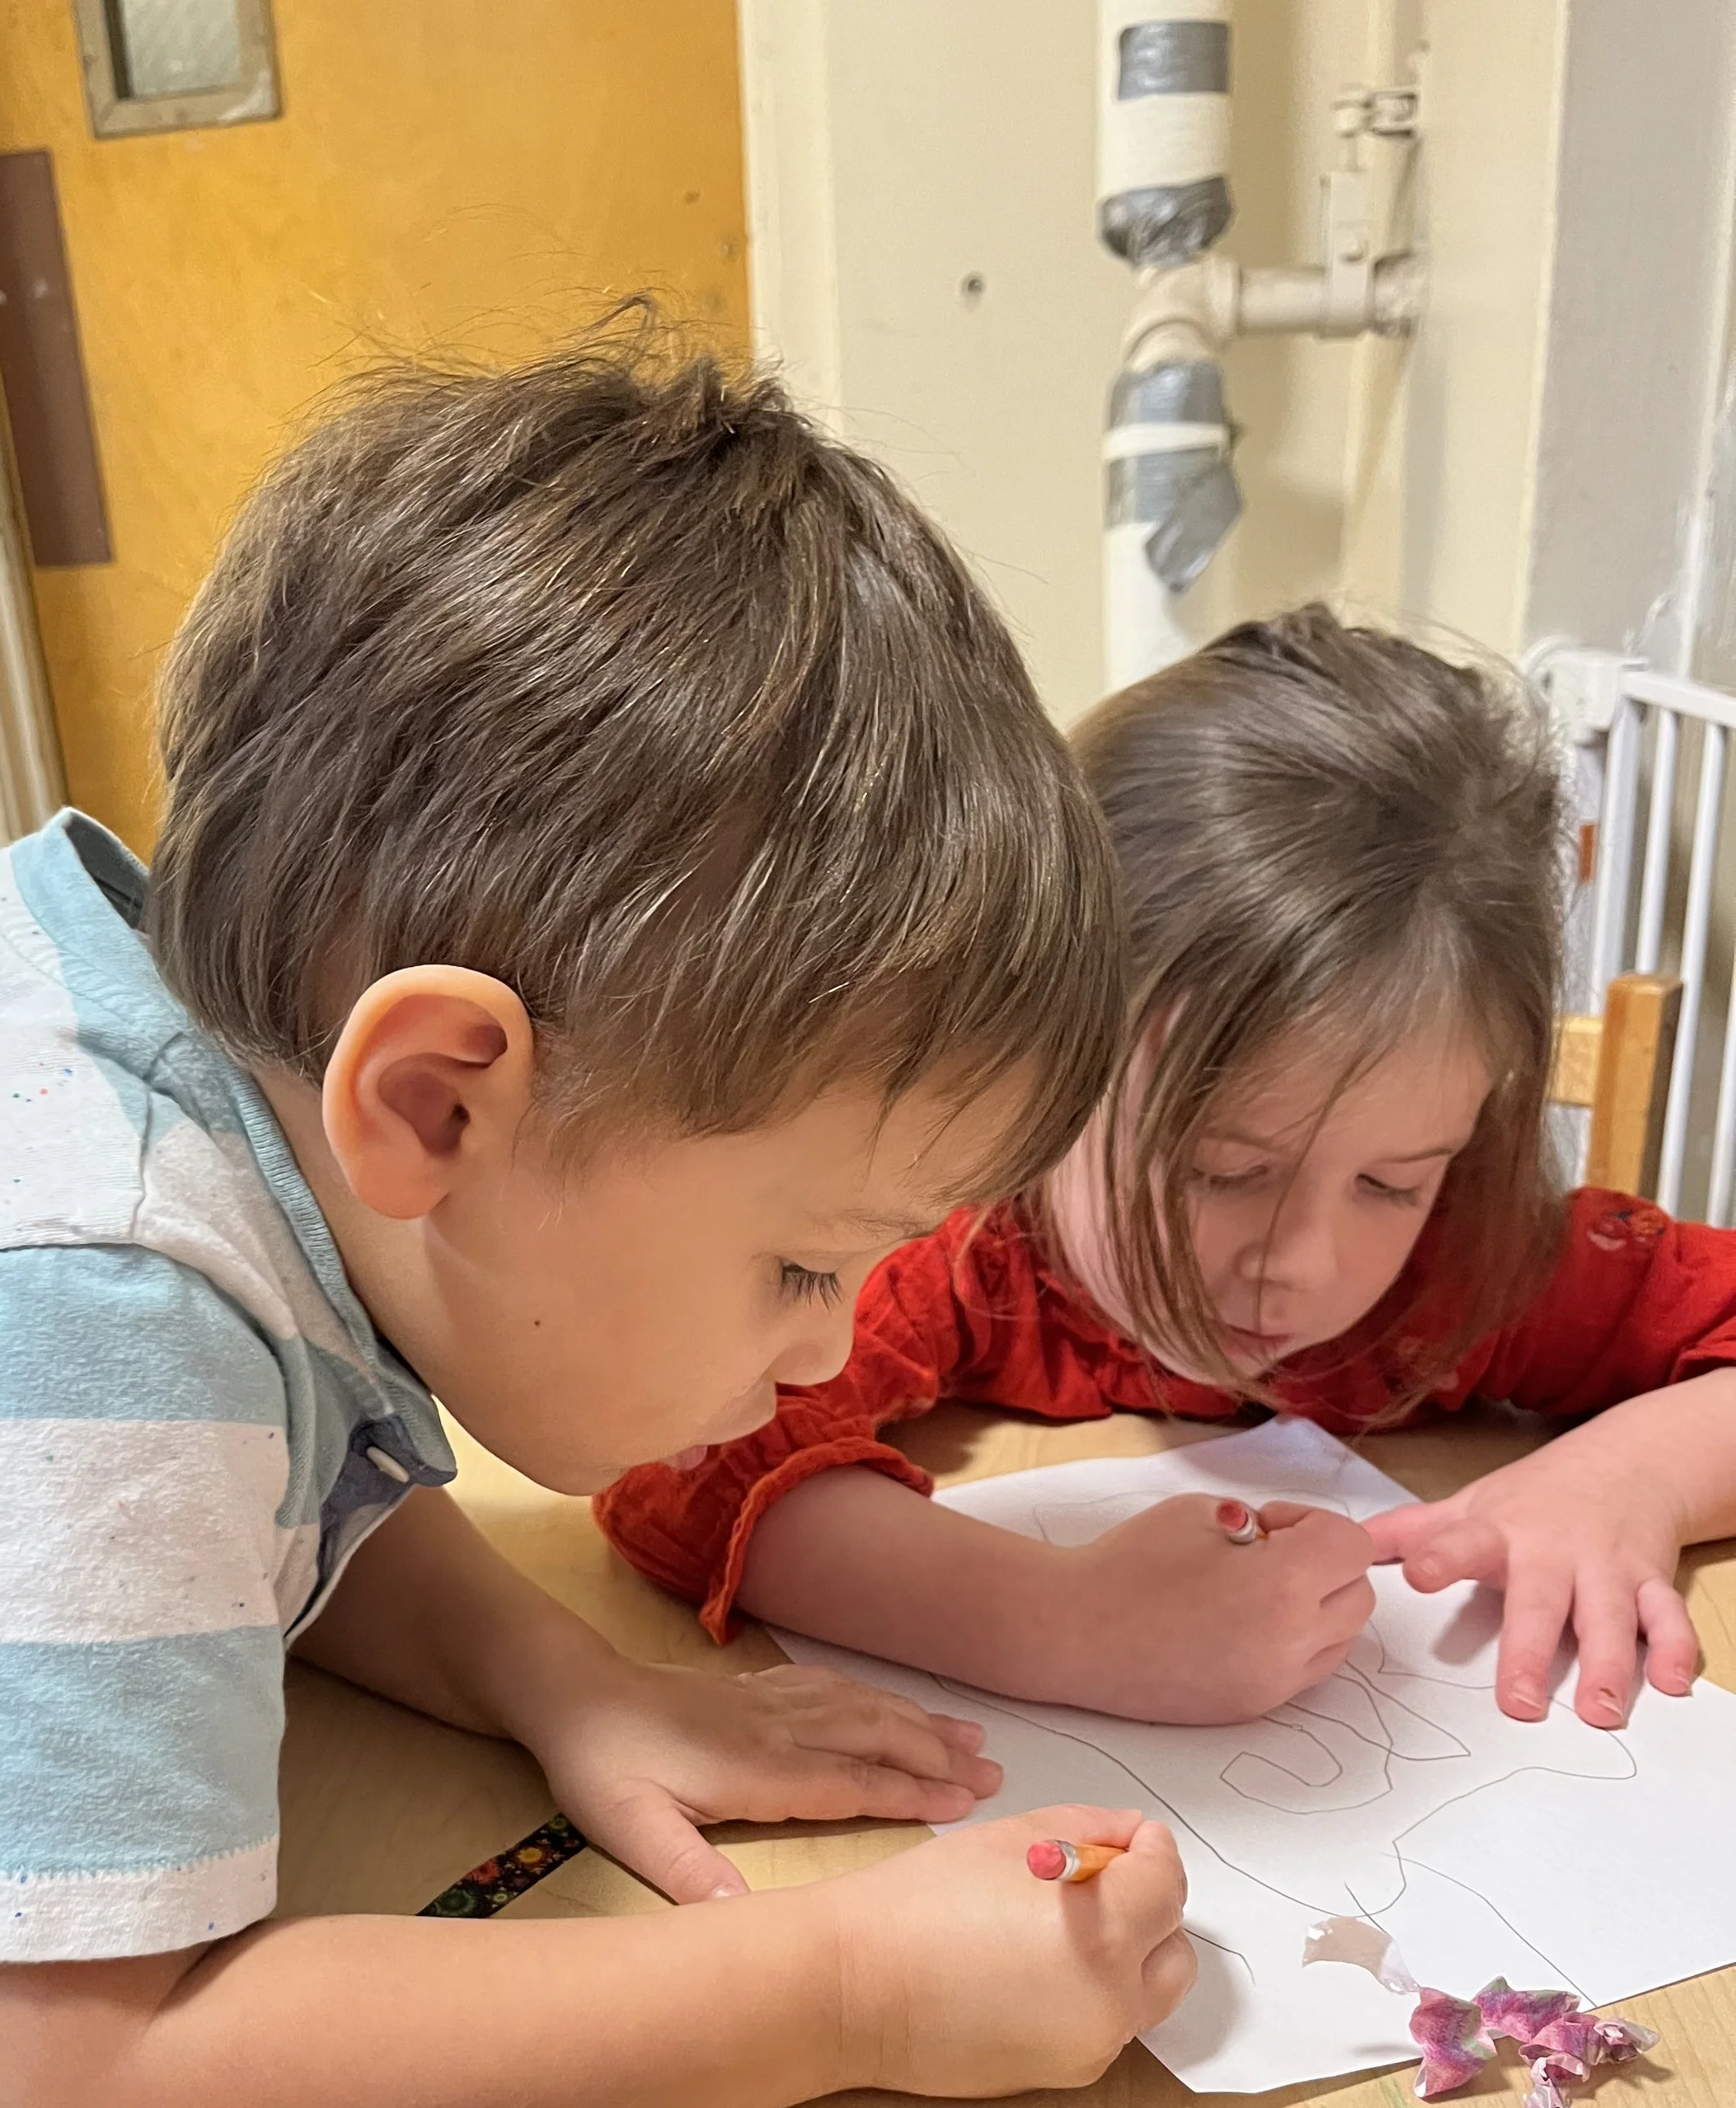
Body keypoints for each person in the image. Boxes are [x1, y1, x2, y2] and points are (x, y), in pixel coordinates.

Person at [0, 336, 1194, 2108]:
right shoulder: (62, 1303)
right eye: (808, 1262)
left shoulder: (187, 1066)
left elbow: (260, 1479)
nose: (827, 1356)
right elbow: (97, 2076)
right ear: (436, 1103)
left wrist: (561, 1680)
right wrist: (842, 1985)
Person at [598, 608, 1736, 1734]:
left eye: (1392, 1183)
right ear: (1040, 1066)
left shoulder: (1469, 1267)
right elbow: (669, 1453)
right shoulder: (955, 1229)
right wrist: (1053, 1620)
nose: (1301, 1263)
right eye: (1219, 1171)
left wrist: (1631, 1476)